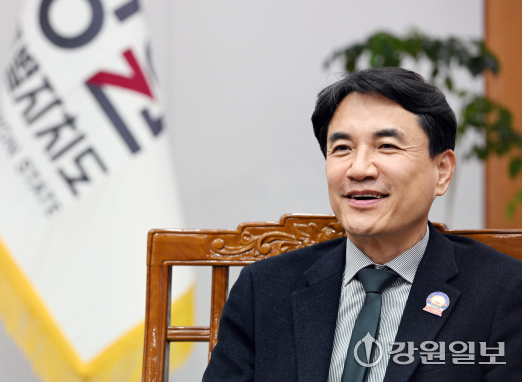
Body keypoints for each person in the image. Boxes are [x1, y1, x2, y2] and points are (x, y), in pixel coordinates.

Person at [202, 67, 522, 381]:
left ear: (442, 171)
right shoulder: (264, 289)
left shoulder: (502, 292)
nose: (358, 169)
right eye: (342, 148)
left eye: (386, 146)